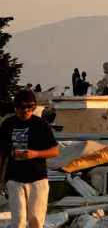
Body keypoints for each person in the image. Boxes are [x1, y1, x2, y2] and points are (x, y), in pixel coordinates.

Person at [1, 89, 59, 228]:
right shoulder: (7, 124)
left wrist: (35, 154)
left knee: (36, 220)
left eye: (30, 106)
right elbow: (2, 152)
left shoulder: (40, 124)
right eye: (22, 107)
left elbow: (54, 151)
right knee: (18, 221)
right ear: (16, 107)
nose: (26, 110)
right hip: (14, 178)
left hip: (38, 178)